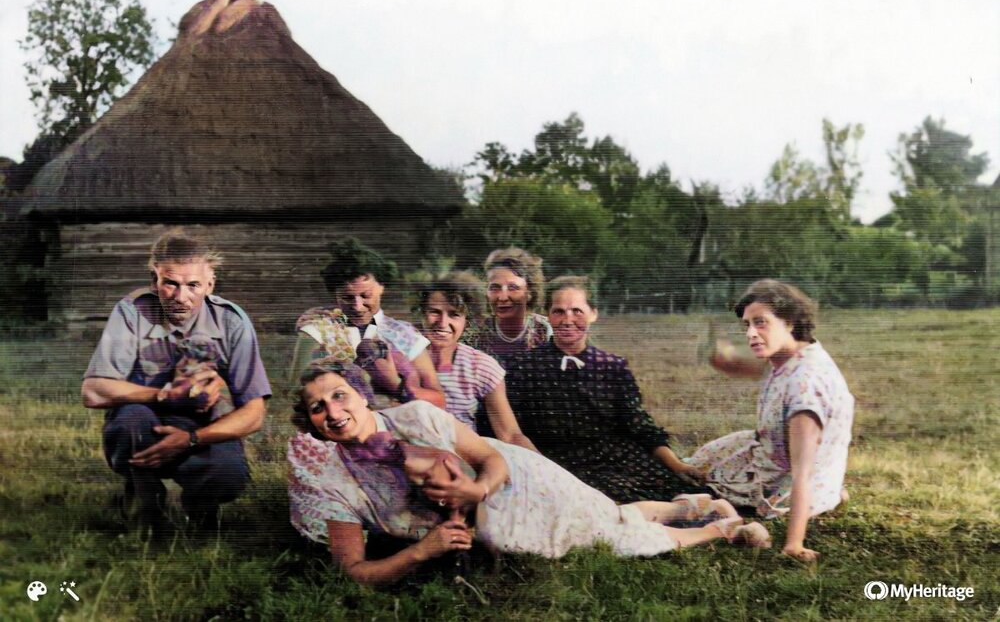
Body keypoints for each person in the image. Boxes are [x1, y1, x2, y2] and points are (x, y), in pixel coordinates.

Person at [287, 359, 769, 586]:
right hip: (479, 525)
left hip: (514, 478)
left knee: (610, 530)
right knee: (609, 518)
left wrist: (477, 489)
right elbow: (355, 573)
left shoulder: (415, 417)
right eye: (317, 407)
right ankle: (693, 507)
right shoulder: (334, 483)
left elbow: (492, 459)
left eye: (339, 396)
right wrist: (420, 552)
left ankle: (720, 529)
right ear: (311, 424)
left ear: (363, 396)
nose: (332, 412)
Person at [81, 229, 271, 532]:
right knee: (130, 422)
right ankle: (144, 501)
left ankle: (201, 507)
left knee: (229, 473)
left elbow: (254, 413)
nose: (181, 298)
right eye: (170, 283)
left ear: (210, 284)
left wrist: (192, 438)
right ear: (154, 280)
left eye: (193, 285)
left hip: (203, 425)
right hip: (146, 417)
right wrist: (166, 395)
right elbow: (93, 391)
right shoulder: (132, 311)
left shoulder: (232, 321)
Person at [687, 279, 855, 563]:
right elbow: (763, 369)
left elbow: (803, 472)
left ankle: (822, 499)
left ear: (789, 322)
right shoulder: (797, 352)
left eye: (761, 323)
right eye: (747, 325)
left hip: (784, 483)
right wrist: (725, 361)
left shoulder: (805, 387)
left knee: (695, 482)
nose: (751, 333)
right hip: (773, 450)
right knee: (701, 462)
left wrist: (794, 545)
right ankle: (830, 494)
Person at [504, 276, 710, 504]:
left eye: (577, 311)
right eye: (559, 311)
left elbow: (639, 425)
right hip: (556, 463)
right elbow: (511, 431)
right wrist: (542, 470)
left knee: (687, 494)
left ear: (593, 313)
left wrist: (676, 464)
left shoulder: (612, 366)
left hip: (616, 458)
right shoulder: (523, 368)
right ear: (548, 316)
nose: (567, 320)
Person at [291, 238, 445, 407]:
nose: (357, 307)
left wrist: (394, 383)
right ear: (334, 293)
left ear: (382, 287)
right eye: (347, 298)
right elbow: (298, 392)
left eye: (366, 296)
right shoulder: (319, 330)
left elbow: (439, 401)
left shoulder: (404, 334)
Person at [414, 272, 537, 451]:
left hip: (462, 455)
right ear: (422, 313)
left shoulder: (481, 366)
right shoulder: (401, 357)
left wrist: (544, 465)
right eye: (435, 312)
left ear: (467, 320)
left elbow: (510, 435)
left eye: (454, 314)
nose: (442, 322)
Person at [469, 247, 552, 366]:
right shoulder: (475, 334)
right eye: (495, 288)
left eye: (513, 288)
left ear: (529, 292)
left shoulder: (546, 331)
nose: (502, 297)